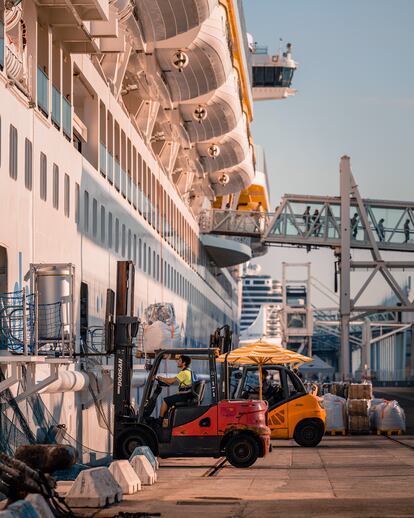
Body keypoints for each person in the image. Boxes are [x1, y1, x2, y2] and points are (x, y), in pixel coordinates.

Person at [157, 355, 195, 419]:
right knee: (169, 401)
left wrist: (161, 378)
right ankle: (166, 420)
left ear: (184, 363)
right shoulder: (189, 371)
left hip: (184, 396)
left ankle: (159, 420)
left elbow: (171, 381)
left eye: (179, 360)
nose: (177, 362)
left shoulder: (184, 373)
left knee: (165, 401)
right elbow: (173, 381)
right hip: (188, 395)